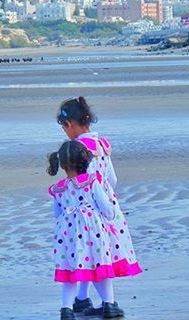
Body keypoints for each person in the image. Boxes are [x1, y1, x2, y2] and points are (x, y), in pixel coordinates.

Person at [55, 97, 141, 317]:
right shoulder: (102, 144)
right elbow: (112, 179)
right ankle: (83, 300)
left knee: (88, 255)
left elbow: (82, 181)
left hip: (86, 211)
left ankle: (101, 303)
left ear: (70, 125)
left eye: (64, 128)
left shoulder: (76, 148)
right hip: (106, 206)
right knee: (97, 256)